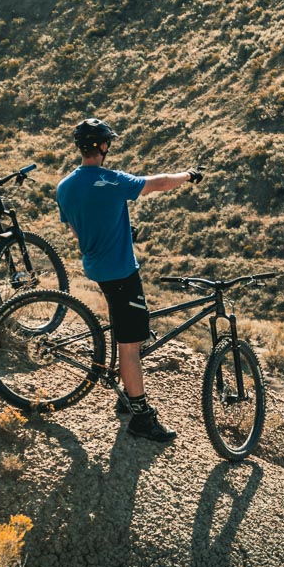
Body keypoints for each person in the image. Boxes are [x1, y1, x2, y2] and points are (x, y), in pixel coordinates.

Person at [55, 117, 202, 441]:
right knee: (130, 344)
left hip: (96, 267)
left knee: (126, 329)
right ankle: (140, 415)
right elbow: (160, 183)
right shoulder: (111, 181)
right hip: (120, 270)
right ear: (102, 146)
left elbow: (77, 231)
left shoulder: (64, 187)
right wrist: (188, 174)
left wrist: (112, 230)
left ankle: (126, 392)